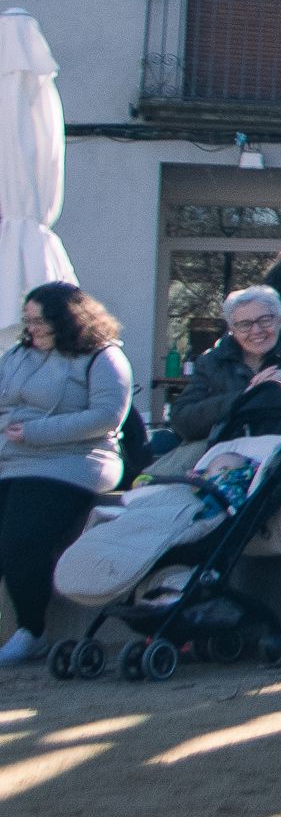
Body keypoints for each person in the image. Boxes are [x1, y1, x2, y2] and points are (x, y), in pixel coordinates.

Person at [0, 284, 130, 665]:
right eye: (28, 321)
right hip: (12, 459)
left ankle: (31, 631)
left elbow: (107, 417)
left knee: (21, 537)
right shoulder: (16, 356)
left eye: (41, 321)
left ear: (67, 318)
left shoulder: (103, 357)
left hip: (75, 460)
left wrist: (36, 432)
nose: (33, 328)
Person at [170, 284, 281, 445]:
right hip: (223, 457)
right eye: (245, 324)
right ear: (232, 329)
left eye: (265, 320)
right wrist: (246, 397)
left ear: (280, 320)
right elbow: (182, 421)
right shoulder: (212, 362)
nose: (256, 330)